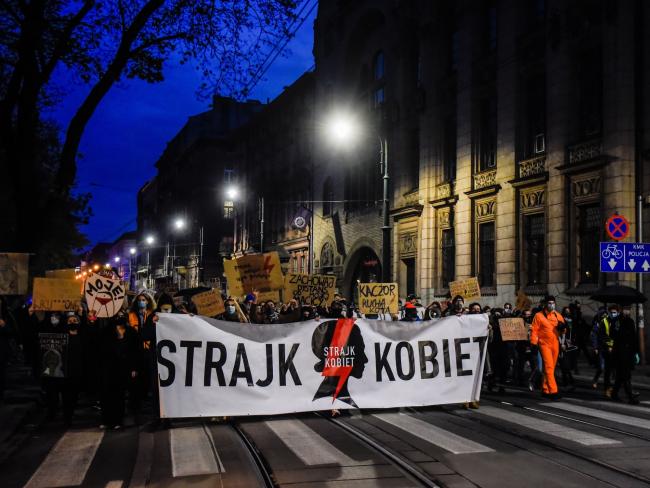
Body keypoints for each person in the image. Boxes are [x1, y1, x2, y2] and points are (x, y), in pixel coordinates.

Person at [99, 318, 141, 429]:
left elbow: (136, 351)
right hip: (109, 368)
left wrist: (134, 368)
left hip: (124, 368)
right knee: (107, 395)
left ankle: (118, 420)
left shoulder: (131, 332)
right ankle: (107, 420)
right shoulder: (107, 332)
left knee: (120, 395)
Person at [530, 295, 565, 399]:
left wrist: (563, 328)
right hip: (544, 344)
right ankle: (553, 391)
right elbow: (534, 330)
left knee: (550, 368)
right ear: (545, 304)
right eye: (549, 303)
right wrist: (534, 343)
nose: (551, 305)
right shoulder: (538, 316)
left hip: (555, 344)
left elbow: (564, 330)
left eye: (553, 303)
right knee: (549, 367)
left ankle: (545, 389)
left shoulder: (558, 315)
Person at [611, 306, 640, 404]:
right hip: (620, 352)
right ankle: (631, 397)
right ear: (622, 310)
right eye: (625, 309)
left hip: (629, 352)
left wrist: (636, 352)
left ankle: (614, 394)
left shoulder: (630, 321)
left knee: (620, 376)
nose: (627, 311)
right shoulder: (616, 321)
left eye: (628, 309)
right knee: (626, 375)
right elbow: (613, 334)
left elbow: (634, 337)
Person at [62, 313, 85, 426]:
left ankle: (70, 412)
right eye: (70, 320)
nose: (72, 322)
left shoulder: (82, 336)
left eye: (74, 320)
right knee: (66, 394)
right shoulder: (63, 337)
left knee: (75, 394)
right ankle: (67, 417)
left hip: (78, 370)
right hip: (65, 371)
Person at [595, 305, 618, 398]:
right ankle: (607, 389)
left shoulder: (619, 321)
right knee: (608, 371)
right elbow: (601, 336)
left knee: (616, 371)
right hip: (607, 350)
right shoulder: (604, 321)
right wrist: (608, 345)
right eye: (611, 312)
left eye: (615, 312)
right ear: (609, 312)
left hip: (616, 349)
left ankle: (614, 389)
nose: (613, 314)